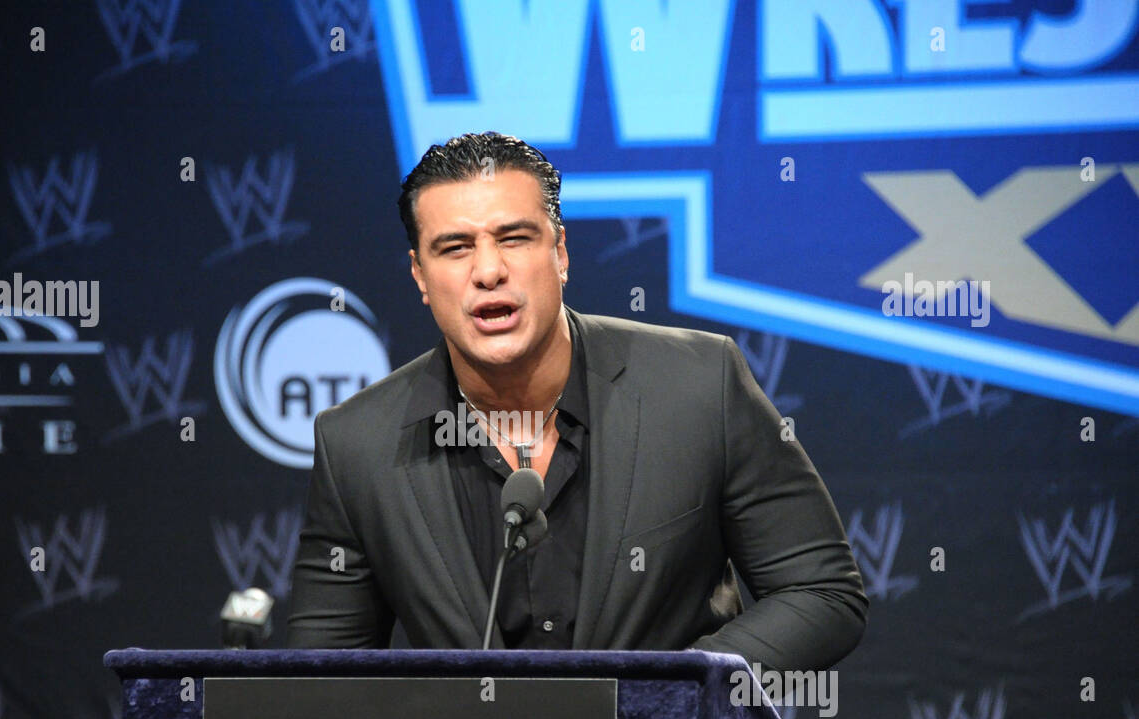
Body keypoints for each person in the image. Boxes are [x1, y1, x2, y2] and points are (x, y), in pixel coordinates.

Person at [286, 132, 867, 670]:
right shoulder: (357, 444)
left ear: (560, 252)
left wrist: (672, 697)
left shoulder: (698, 385)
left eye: (514, 238)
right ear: (419, 274)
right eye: (455, 248)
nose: (488, 271)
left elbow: (820, 592)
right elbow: (319, 686)